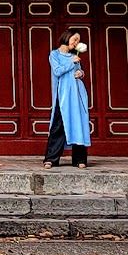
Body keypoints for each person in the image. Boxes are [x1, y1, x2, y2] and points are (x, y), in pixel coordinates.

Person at [44, 32, 91, 168]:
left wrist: (80, 73)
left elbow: (79, 71)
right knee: (59, 124)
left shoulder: (74, 56)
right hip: (63, 94)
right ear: (66, 37)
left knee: (78, 123)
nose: (76, 42)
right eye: (75, 39)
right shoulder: (55, 55)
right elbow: (57, 71)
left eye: (78, 40)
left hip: (77, 93)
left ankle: (80, 159)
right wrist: (72, 63)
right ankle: (51, 158)